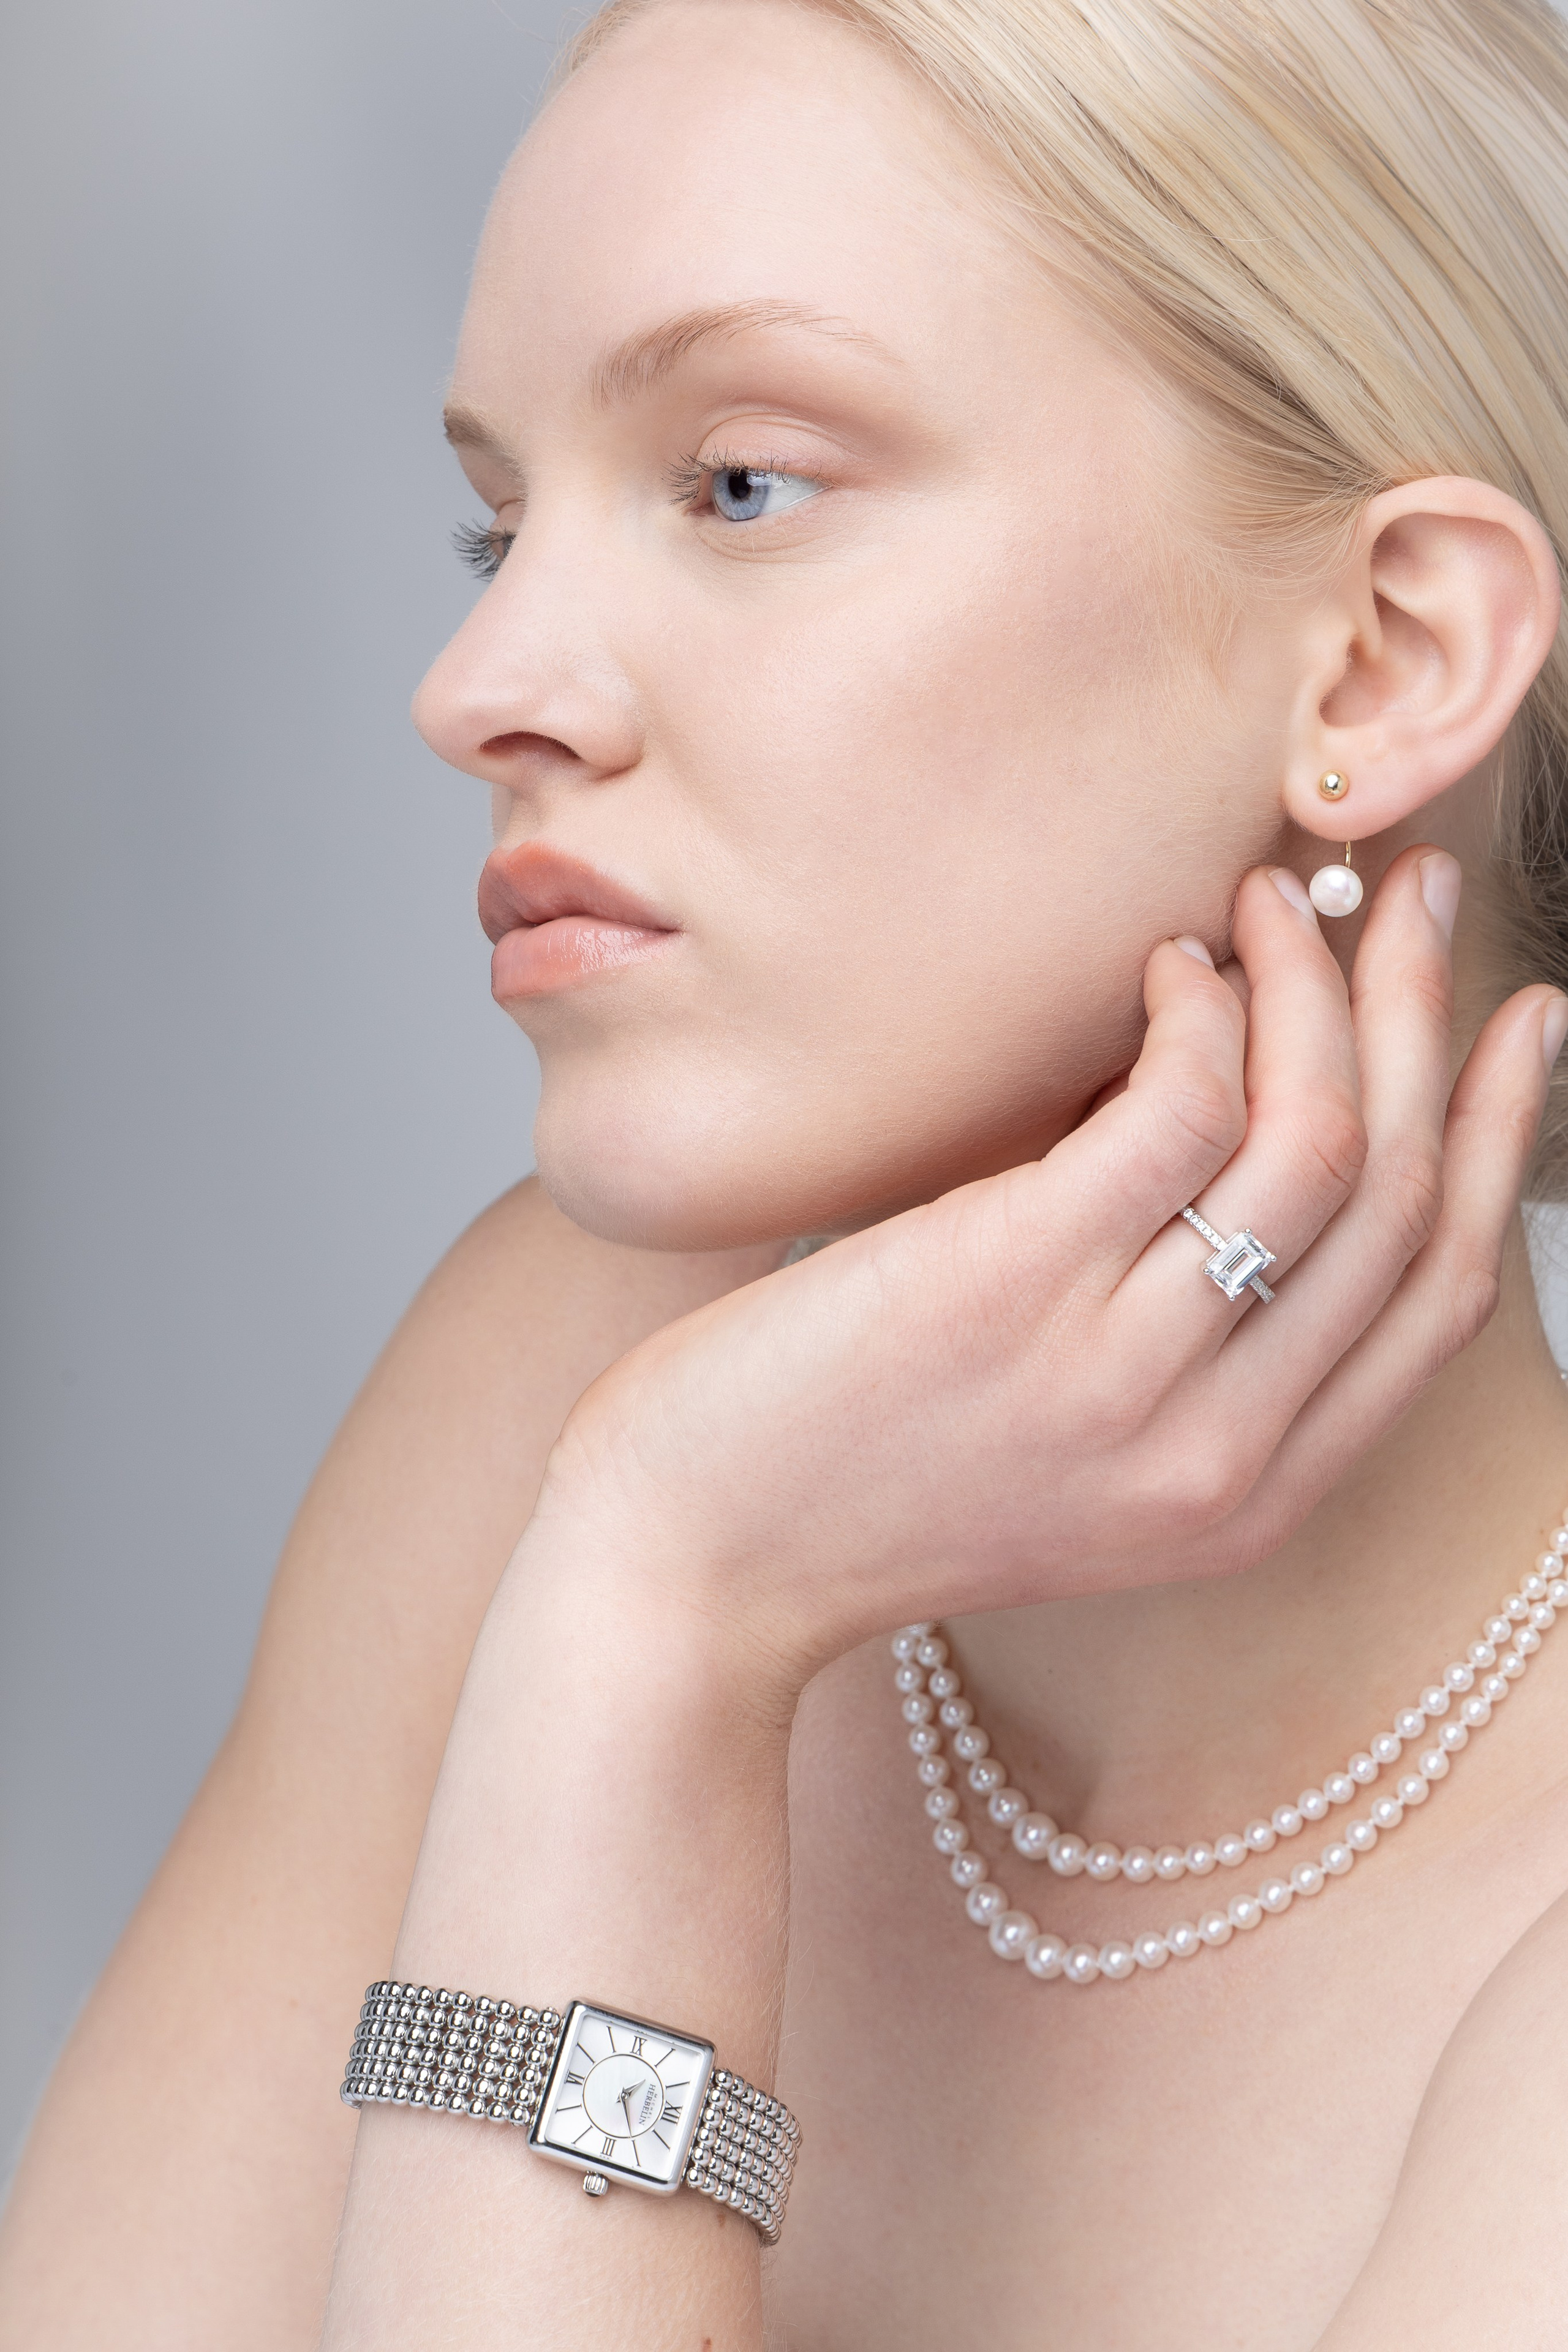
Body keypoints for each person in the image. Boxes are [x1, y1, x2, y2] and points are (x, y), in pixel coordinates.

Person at [7, 0, 1568, 2342]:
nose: (477, 683)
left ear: (1379, 659)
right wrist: (659, 1609)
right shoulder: (560, 1393)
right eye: (497, 519)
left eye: (741, 481)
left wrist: (650, 1619)